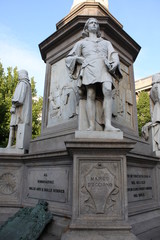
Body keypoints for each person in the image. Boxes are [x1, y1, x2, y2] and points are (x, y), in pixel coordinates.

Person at [66, 18, 122, 131]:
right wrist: (79, 59)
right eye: (91, 23)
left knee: (107, 90)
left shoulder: (106, 43)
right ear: (86, 27)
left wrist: (115, 61)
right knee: (90, 93)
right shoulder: (81, 43)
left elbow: (113, 54)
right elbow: (69, 58)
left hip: (104, 66)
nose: (94, 24)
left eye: (96, 23)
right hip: (89, 67)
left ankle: (108, 125)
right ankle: (91, 125)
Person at [7, 70, 32, 150]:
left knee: (13, 127)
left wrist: (13, 105)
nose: (18, 76)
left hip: (18, 110)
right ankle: (14, 145)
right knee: (15, 127)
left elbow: (19, 98)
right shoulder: (27, 85)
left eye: (19, 74)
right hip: (21, 110)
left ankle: (11, 145)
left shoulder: (22, 84)